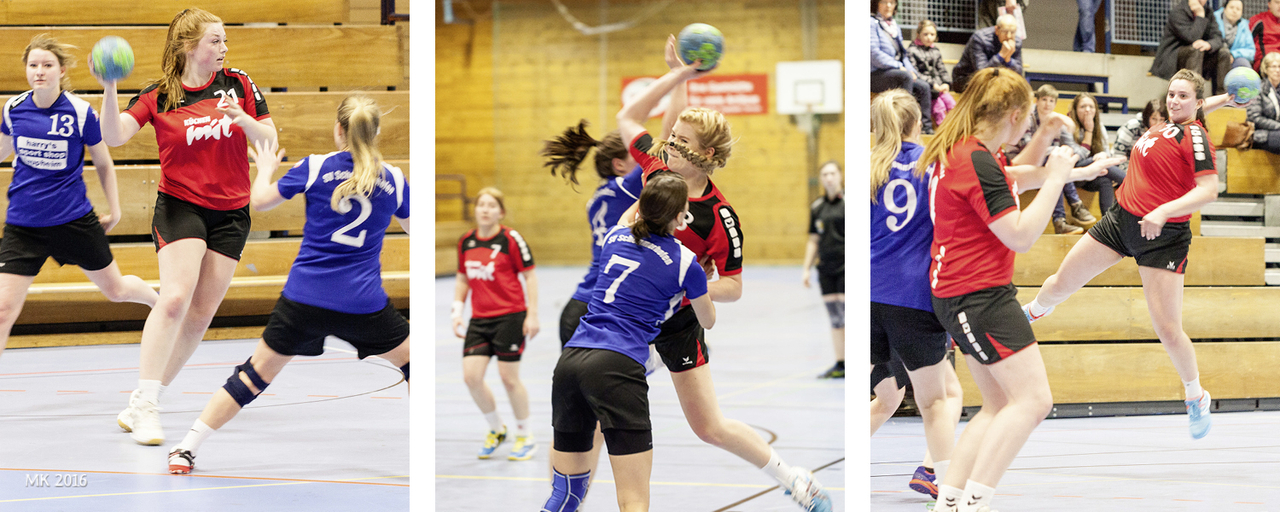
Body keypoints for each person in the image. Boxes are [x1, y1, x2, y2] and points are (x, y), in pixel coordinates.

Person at [612, 35, 831, 511]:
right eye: (671, 137)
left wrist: (689, 286)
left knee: (708, 426)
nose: (670, 143)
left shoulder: (719, 217)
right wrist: (679, 75)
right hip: (628, 317)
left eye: (682, 141)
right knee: (592, 406)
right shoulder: (657, 171)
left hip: (677, 323)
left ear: (707, 156)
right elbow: (629, 118)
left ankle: (793, 479)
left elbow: (733, 286)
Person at [166, 96, 410, 474]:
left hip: (304, 299)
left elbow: (260, 201)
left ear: (338, 130)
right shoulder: (393, 179)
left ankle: (186, 448)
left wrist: (265, 169)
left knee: (254, 375)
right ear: (376, 132)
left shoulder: (315, 167)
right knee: (414, 363)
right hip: (363, 303)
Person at [922, 67, 1120, 512]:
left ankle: (950, 502)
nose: (1029, 126)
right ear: (1014, 115)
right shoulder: (975, 160)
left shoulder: (965, 150)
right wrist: (1056, 178)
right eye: (1030, 119)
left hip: (960, 295)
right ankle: (974, 504)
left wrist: (1062, 157)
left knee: (997, 404)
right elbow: (1021, 235)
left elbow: (1012, 177)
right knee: (1033, 401)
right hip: (979, 297)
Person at [93, 8, 276, 446]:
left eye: (225, 39)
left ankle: (144, 398)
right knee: (175, 298)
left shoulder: (239, 84)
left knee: (199, 315)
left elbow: (270, 140)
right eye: (216, 40)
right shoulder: (159, 95)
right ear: (190, 46)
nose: (224, 47)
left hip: (231, 211)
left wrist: (242, 119)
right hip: (180, 205)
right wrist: (109, 88)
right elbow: (115, 136)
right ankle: (148, 408)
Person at [1024, 69, 1235, 443]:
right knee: (1059, 284)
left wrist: (1163, 211)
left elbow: (1209, 190)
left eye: (1183, 96)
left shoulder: (1196, 136)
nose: (1174, 101)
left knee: (1167, 329)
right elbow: (1199, 106)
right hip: (1121, 221)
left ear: (1196, 102)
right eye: (1172, 94)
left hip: (1162, 237)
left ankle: (1195, 395)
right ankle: (1034, 312)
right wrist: (1226, 99)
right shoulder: (1168, 125)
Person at [540, 172, 713, 512]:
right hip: (616, 367)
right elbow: (707, 320)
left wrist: (652, 180)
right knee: (633, 499)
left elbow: (628, 218)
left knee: (566, 495)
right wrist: (697, 285)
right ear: (682, 216)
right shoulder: (685, 262)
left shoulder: (615, 236)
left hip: (571, 361)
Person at [0, 35, 158, 359]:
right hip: (24, 226)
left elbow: (104, 163)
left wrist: (115, 210)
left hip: (73, 220)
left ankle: (162, 305)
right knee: (3, 310)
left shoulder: (81, 112)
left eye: (47, 65)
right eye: (33, 65)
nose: (39, 71)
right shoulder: (13, 109)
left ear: (61, 71)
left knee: (116, 290)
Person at [869, 88, 971, 508]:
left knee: (883, 397)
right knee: (937, 401)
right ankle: (946, 492)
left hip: (867, 297)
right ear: (918, 123)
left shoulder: (867, 166)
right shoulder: (932, 164)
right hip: (913, 297)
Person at [452, 186, 539, 461]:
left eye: (492, 206)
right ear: (476, 210)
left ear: (500, 212)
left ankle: (525, 435)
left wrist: (532, 314)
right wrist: (457, 311)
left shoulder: (511, 239)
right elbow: (462, 278)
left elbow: (530, 276)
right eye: (481, 205)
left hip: (510, 316)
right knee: (471, 377)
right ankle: (497, 429)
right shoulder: (466, 241)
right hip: (479, 319)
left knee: (508, 379)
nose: (486, 210)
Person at [1004, 85, 1094, 234]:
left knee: (1056, 163)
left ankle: (1061, 220)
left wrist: (1076, 148)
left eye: (1051, 101)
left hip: (1044, 162)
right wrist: (1054, 151)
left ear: (1055, 104)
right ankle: (1074, 206)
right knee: (1054, 163)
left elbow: (1072, 149)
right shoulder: (1028, 117)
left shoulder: (1057, 120)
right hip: (1018, 160)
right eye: (1044, 99)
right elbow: (1027, 147)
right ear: (1037, 101)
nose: (1047, 104)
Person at [804, 161, 845, 379]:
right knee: (835, 317)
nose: (829, 178)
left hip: (847, 268)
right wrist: (806, 268)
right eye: (825, 174)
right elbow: (813, 239)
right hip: (826, 269)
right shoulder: (817, 207)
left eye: (832, 173)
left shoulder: (849, 203)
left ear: (840, 176)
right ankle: (841, 363)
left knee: (849, 315)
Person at [872, 0, 933, 134]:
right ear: (877, 4)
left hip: (895, 72)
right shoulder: (871, 23)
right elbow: (874, 54)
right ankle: (904, 127)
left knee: (923, 86)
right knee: (905, 77)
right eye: (884, 2)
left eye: (891, 2)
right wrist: (899, 66)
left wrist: (911, 70)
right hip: (876, 73)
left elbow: (903, 55)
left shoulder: (895, 26)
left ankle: (926, 128)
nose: (888, 6)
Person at [1150, 0, 1231, 95]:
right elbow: (1191, 37)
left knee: (1224, 53)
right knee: (1196, 50)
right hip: (1174, 59)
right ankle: (1195, 96)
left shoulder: (1208, 12)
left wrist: (1209, 44)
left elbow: (1218, 38)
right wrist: (1200, 15)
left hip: (1200, 56)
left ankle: (1222, 97)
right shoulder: (1178, 11)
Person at [1069, 92, 1127, 214]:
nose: (1087, 110)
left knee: (1105, 180)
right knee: (1100, 163)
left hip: (1092, 176)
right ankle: (1133, 183)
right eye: (1083, 106)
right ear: (1075, 110)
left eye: (1091, 106)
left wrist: (1104, 155)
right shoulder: (1069, 127)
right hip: (1073, 174)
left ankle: (1108, 223)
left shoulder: (1099, 127)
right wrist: (1088, 131)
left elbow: (1106, 152)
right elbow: (1075, 158)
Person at [951, 14, 1023, 94]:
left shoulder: (1016, 42)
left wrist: (1008, 59)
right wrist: (1001, 55)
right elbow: (982, 72)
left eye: (1012, 32)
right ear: (997, 30)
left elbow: (1019, 73)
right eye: (1005, 31)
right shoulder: (980, 38)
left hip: (997, 81)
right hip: (967, 78)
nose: (1009, 36)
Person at [907, 20, 956, 128]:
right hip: (928, 90)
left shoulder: (936, 50)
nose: (929, 37)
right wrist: (933, 84)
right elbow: (916, 72)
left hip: (939, 88)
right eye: (925, 34)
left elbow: (942, 69)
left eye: (932, 34)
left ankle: (956, 129)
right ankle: (943, 131)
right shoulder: (912, 50)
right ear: (918, 35)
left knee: (952, 104)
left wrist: (946, 83)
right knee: (939, 108)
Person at [1113, 98, 1168, 174]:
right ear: (1147, 117)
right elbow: (1117, 156)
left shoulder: (1165, 131)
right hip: (1126, 169)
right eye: (1154, 119)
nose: (1157, 123)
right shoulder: (1131, 127)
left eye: (1161, 119)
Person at [1248, 52, 1280, 153]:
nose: (1278, 70)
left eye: (1279, 66)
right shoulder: (1257, 90)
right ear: (1266, 69)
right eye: (1274, 66)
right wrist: (1278, 126)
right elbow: (1254, 118)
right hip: (1261, 134)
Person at [1215, 0, 1256, 69]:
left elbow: (1251, 52)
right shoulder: (1214, 19)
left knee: (1243, 64)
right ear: (1224, 9)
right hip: (1216, 56)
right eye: (1231, 7)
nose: (1234, 11)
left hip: (1234, 59)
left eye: (1238, 9)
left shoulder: (1244, 25)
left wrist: (1233, 54)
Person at [1250, 0, 1280, 71]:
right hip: (1265, 63)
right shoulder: (1258, 20)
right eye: (1277, 2)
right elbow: (1245, 43)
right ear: (1269, 4)